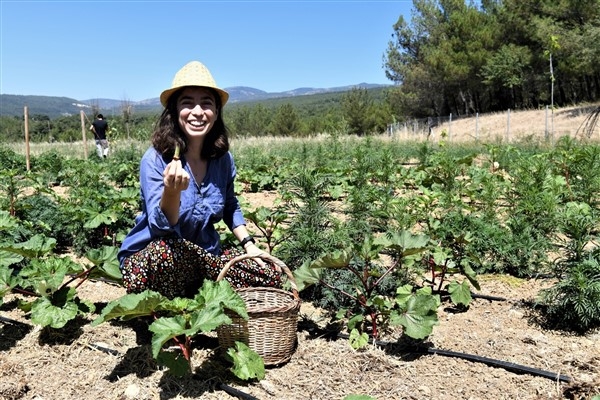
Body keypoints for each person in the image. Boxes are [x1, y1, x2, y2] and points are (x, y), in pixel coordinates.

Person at [117, 61, 281, 299]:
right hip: (153, 258)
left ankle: (198, 294)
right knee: (169, 252)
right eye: (187, 103)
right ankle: (179, 304)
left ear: (215, 113)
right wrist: (171, 192)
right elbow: (160, 228)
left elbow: (230, 205)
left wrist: (249, 245)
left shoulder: (222, 160)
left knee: (269, 274)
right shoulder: (155, 159)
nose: (197, 111)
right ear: (174, 111)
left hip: (204, 257)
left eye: (206, 103)